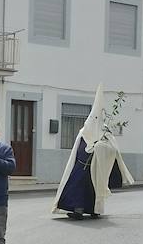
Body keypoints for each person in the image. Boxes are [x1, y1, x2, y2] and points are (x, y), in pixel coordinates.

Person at [53, 85, 135, 219]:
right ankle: (78, 210)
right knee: (77, 188)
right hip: (80, 167)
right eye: (92, 119)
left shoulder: (105, 134)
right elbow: (78, 148)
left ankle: (94, 210)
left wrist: (99, 147)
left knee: (94, 189)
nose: (92, 122)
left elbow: (112, 150)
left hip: (96, 170)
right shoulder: (83, 131)